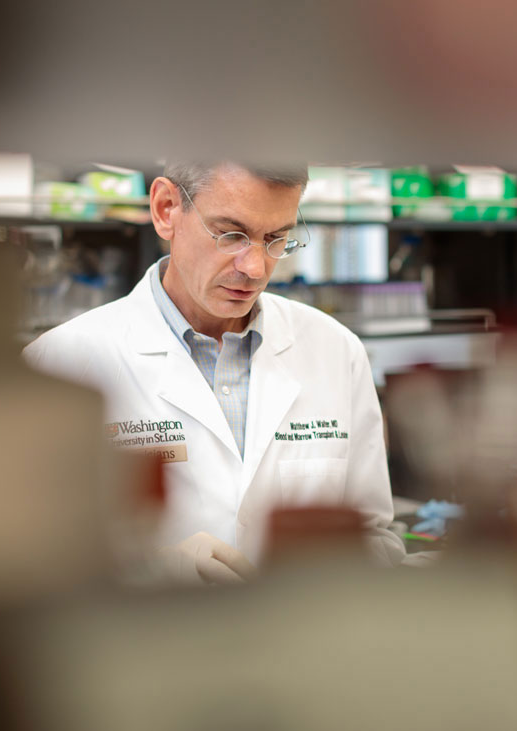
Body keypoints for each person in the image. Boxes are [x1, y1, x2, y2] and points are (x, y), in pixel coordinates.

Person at [25, 162, 405, 579]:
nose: (255, 268)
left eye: (277, 238)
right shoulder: (60, 364)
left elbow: (374, 535)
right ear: (166, 208)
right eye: (231, 234)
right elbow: (23, 564)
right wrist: (153, 571)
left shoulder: (335, 350)